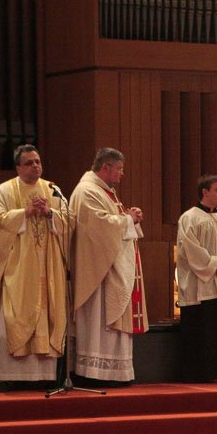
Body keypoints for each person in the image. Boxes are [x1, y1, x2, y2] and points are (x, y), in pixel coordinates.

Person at [0, 144, 69, 391]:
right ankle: (10, 376)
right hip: (18, 269)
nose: (35, 166)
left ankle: (44, 376)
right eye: (29, 163)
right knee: (15, 314)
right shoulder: (4, 191)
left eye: (38, 161)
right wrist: (25, 213)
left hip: (47, 266)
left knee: (45, 313)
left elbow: (69, 222)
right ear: (18, 167)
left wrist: (50, 213)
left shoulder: (52, 190)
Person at [71, 148, 148, 386]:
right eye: (120, 169)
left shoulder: (104, 191)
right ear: (106, 167)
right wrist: (128, 220)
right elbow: (98, 227)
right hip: (98, 272)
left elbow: (112, 221)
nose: (122, 174)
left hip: (110, 267)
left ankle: (114, 373)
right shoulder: (87, 191)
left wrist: (129, 216)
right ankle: (95, 374)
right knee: (100, 321)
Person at [176, 175, 217, 382]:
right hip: (201, 286)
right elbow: (190, 249)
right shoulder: (189, 218)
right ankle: (201, 373)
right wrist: (214, 264)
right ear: (204, 192)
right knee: (202, 332)